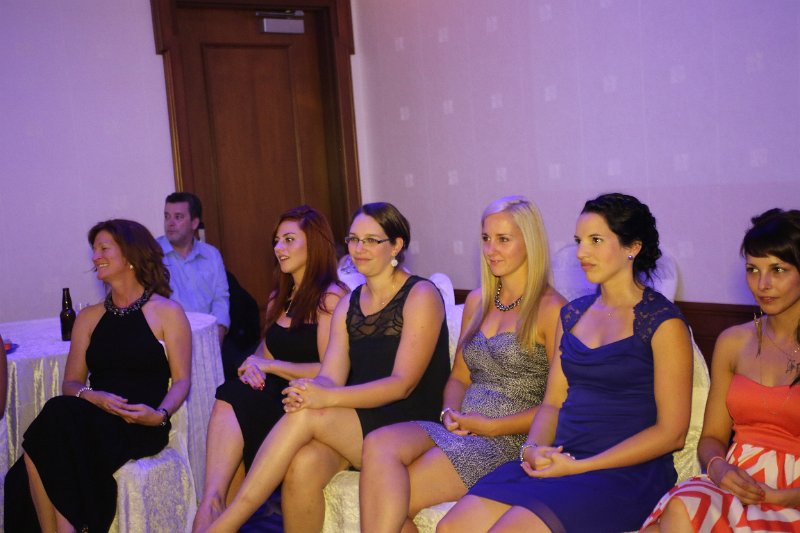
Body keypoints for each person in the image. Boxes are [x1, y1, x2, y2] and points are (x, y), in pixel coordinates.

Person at [438, 193, 694, 533]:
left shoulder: (664, 322)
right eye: (579, 241)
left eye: (595, 240)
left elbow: (672, 434)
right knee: (452, 527)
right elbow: (553, 403)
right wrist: (532, 449)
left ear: (632, 247)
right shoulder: (572, 315)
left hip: (625, 473)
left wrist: (581, 467)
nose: (582, 252)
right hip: (564, 456)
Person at [200, 202, 451, 532]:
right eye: (353, 239)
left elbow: (402, 384)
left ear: (396, 245)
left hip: (411, 422)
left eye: (371, 240)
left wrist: (324, 398)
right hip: (360, 420)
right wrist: (310, 390)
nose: (359, 249)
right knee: (302, 464)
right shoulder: (348, 304)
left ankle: (225, 524)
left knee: (308, 413)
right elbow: (331, 376)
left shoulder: (420, 294)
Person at [359, 196, 565, 532]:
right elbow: (458, 377)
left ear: (529, 242)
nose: (491, 250)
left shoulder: (552, 308)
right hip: (463, 427)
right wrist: (449, 413)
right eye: (486, 238)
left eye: (503, 239)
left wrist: (491, 426)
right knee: (378, 442)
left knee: (390, 502)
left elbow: (558, 404)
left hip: (509, 438)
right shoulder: (477, 301)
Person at [4, 219, 191, 532]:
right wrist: (95, 397)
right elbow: (71, 383)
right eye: (94, 249)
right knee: (36, 450)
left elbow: (182, 380)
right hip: (94, 417)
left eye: (104, 248)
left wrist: (158, 415)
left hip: (139, 421)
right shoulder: (89, 317)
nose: (95, 257)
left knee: (42, 442)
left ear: (130, 255)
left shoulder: (167, 312)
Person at [642, 208, 800, 532]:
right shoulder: (733, 342)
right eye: (753, 270)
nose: (763, 284)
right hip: (734, 481)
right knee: (680, 506)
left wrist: (784, 497)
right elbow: (712, 437)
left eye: (778, 270)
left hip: (792, 495)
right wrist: (718, 467)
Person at [192, 205, 348, 530]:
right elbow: (262, 355)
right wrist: (251, 366)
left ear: (314, 244)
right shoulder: (280, 296)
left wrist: (270, 365)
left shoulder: (331, 299)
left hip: (312, 403)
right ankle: (213, 503)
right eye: (276, 241)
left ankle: (222, 514)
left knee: (238, 403)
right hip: (273, 397)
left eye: (289, 240)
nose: (279, 248)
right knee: (232, 394)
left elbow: (329, 372)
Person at [158, 191, 230, 344]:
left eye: (178, 217)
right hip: (170, 342)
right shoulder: (152, 254)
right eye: (167, 216)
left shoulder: (211, 254)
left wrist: (217, 335)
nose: (170, 223)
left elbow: (221, 299)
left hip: (209, 337)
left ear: (194, 223)